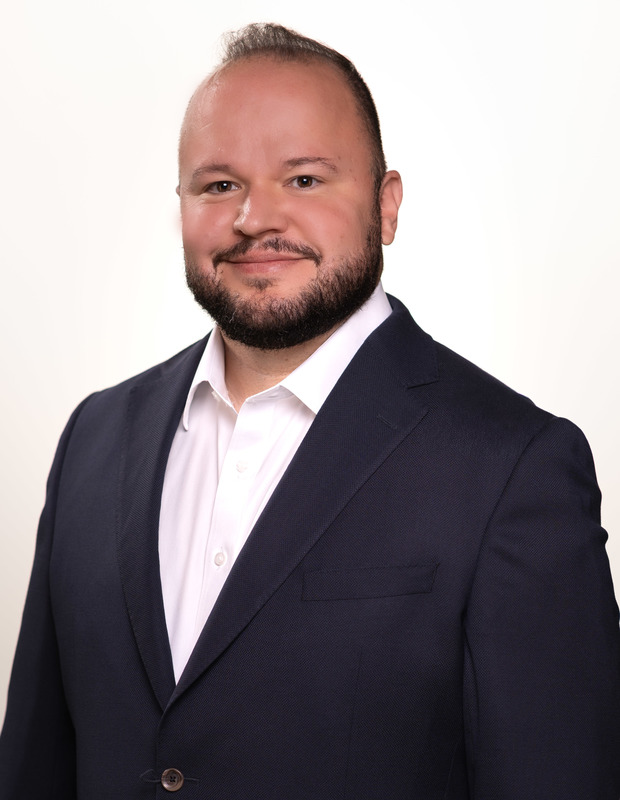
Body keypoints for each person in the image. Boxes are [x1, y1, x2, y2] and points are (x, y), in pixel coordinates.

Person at [1, 22, 619, 800]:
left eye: (304, 179)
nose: (256, 217)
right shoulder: (93, 439)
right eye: (219, 184)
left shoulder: (513, 466)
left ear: (386, 207)